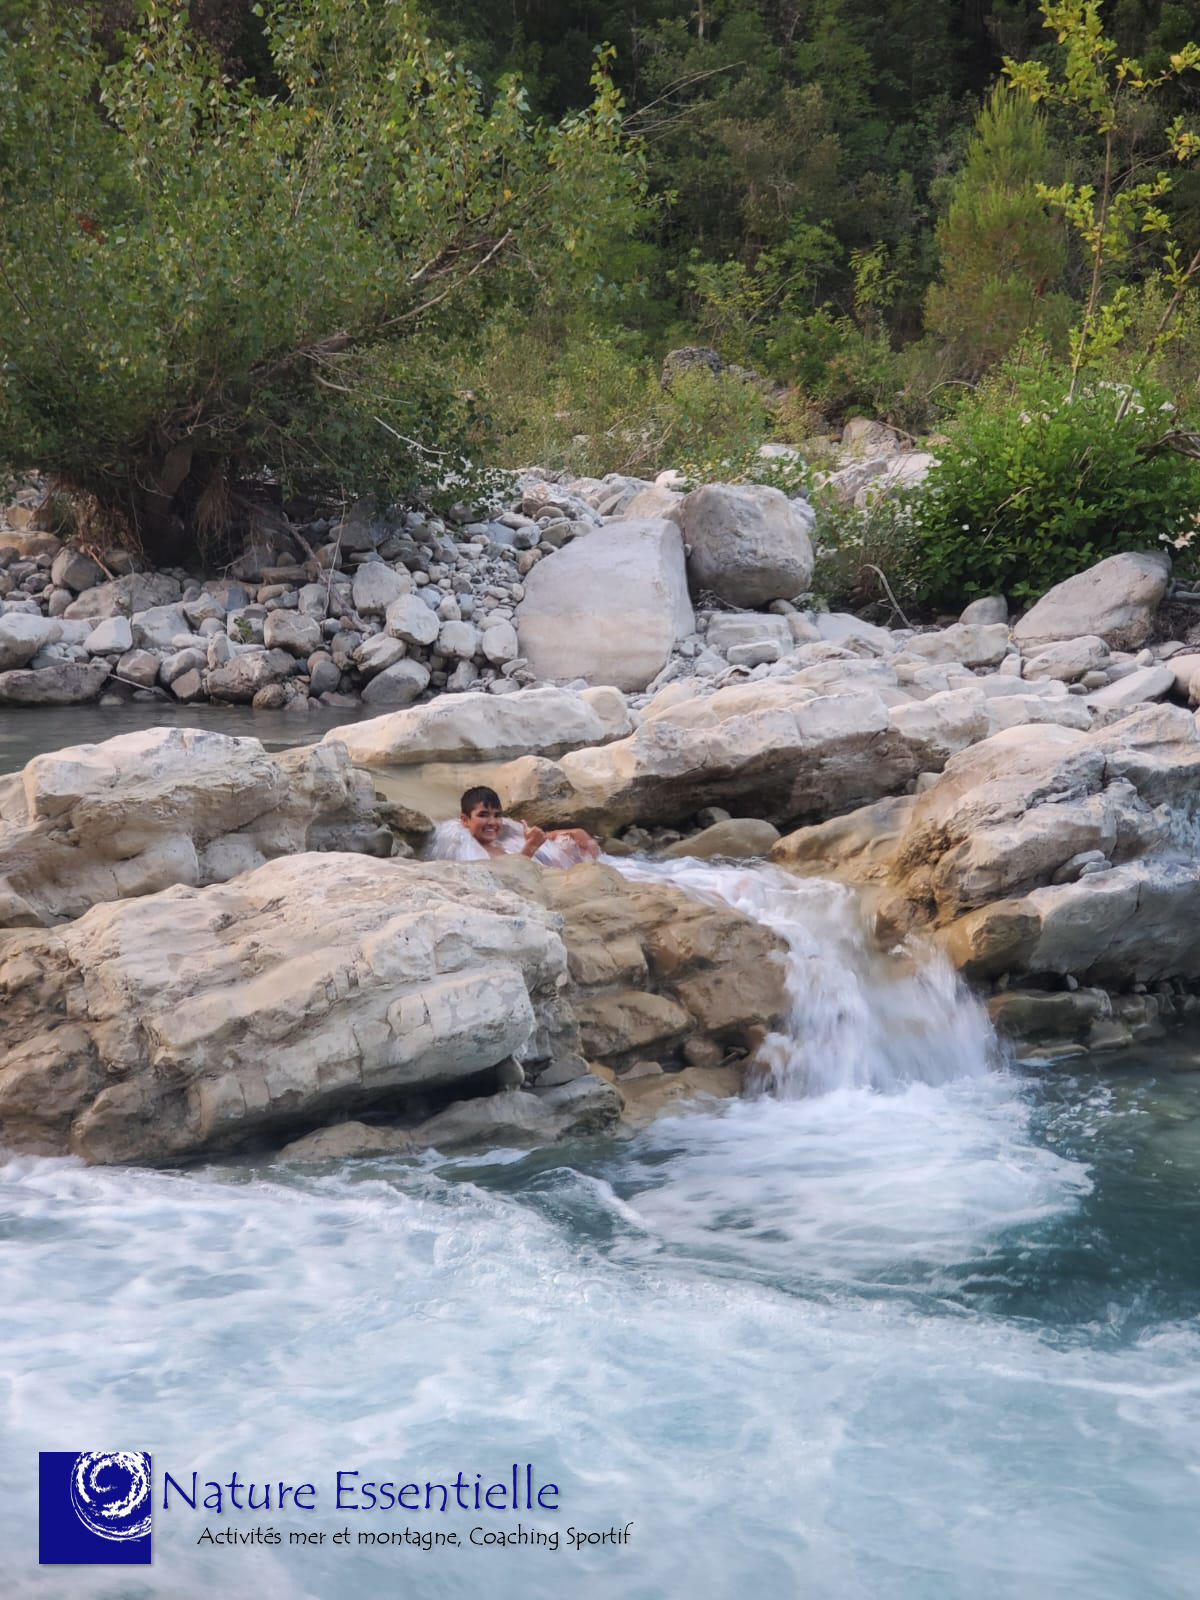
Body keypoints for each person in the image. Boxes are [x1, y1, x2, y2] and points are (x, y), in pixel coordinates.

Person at [427, 786, 601, 867]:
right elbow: (507, 878)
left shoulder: (502, 841)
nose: (492, 822)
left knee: (580, 838)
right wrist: (530, 847)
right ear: (465, 820)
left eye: (497, 815)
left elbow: (542, 838)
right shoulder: (469, 851)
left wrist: (567, 833)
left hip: (555, 869)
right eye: (483, 815)